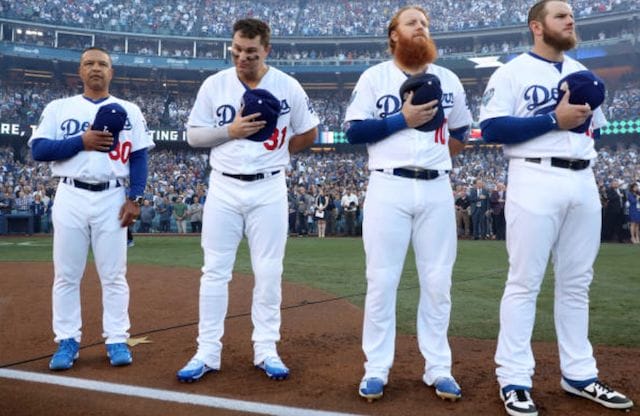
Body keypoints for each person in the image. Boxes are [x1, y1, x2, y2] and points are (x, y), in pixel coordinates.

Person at [478, 1, 634, 414]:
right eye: (561, 15)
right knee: (524, 281)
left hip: (583, 178)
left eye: (571, 15)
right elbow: (491, 128)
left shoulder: (583, 76)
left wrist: (568, 130)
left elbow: (592, 128)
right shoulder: (512, 71)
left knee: (577, 282)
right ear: (537, 26)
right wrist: (552, 121)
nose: (571, 21)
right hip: (534, 175)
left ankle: (579, 374)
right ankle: (513, 378)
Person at [176, 18, 319, 383]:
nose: (242, 57)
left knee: (269, 271)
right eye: (237, 50)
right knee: (214, 271)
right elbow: (193, 136)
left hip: (269, 186)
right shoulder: (215, 84)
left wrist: (282, 150)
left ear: (266, 50)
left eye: (251, 52)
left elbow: (309, 131)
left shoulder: (287, 85)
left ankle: (266, 348)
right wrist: (231, 131)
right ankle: (207, 351)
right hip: (223, 186)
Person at [344, 6, 472, 402]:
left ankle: (438, 368)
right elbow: (353, 131)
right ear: (393, 34)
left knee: (438, 283)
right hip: (389, 185)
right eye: (413, 22)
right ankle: (376, 369)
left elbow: (462, 129)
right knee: (381, 281)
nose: (422, 27)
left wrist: (437, 160)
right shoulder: (375, 77)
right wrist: (403, 120)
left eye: (426, 24)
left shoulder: (448, 78)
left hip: (435, 187)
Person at [29, 46, 154, 370]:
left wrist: (136, 197)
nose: (96, 68)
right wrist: (80, 142)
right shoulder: (59, 107)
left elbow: (139, 156)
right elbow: (39, 150)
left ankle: (116, 338)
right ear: (80, 71)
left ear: (111, 72)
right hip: (70, 193)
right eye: (89, 63)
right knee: (66, 275)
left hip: (113, 196)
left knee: (114, 275)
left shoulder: (129, 109)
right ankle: (67, 340)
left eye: (102, 64)